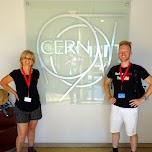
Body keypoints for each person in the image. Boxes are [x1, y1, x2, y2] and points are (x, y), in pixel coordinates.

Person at [104, 40, 152, 152]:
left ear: (130, 53)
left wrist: (142, 99)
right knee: (114, 131)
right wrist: (109, 97)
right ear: (118, 53)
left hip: (131, 108)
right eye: (121, 51)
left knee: (132, 133)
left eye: (126, 51)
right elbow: (105, 83)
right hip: (116, 106)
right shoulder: (114, 69)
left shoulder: (137, 69)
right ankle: (114, 150)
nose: (123, 53)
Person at [1, 50, 42, 152]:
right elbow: (3, 82)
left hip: (35, 106)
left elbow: (33, 86)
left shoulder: (36, 73)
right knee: (22, 134)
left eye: (30, 58)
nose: (27, 60)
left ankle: (31, 148)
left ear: (32, 61)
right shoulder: (16, 73)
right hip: (21, 107)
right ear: (21, 60)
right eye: (25, 58)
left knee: (32, 129)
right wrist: (14, 93)